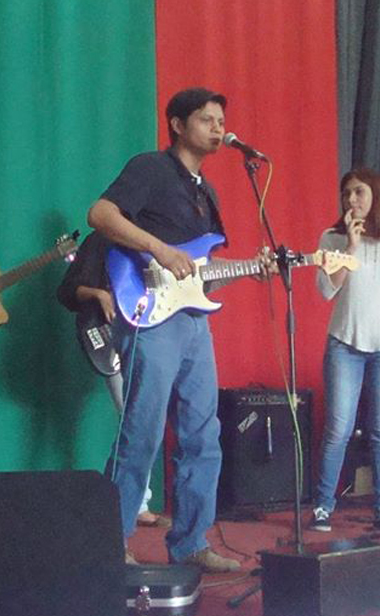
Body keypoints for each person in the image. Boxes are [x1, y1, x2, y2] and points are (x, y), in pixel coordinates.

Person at [87, 87, 270, 572]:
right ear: (176, 124)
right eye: (207, 119)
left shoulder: (206, 191)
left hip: (193, 322)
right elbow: (100, 215)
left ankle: (191, 543)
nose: (218, 128)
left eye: (221, 121)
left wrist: (252, 268)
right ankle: (108, 542)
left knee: (203, 434)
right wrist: (160, 249)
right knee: (142, 431)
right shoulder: (150, 168)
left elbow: (200, 271)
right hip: (151, 315)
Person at [309, 167, 380, 533]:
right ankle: (323, 506)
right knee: (338, 429)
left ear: (376, 196)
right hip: (345, 343)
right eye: (346, 193)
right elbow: (326, 290)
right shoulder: (331, 238)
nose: (351, 199)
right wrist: (350, 248)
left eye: (359, 192)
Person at [56, 230, 172, 529]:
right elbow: (68, 289)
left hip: (148, 333)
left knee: (141, 417)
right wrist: (99, 294)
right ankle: (126, 504)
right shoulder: (101, 240)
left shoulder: (159, 240)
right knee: (134, 416)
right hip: (108, 335)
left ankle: (134, 502)